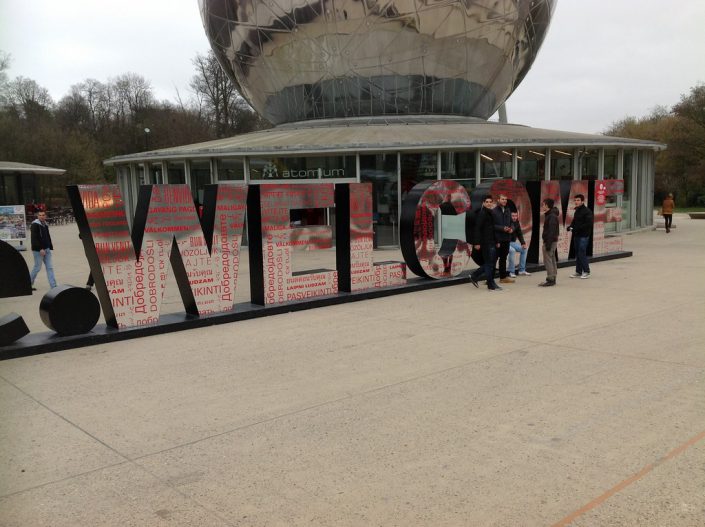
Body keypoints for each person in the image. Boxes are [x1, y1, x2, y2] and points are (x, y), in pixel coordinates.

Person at [473, 194, 502, 291]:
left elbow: (493, 229)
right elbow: (477, 229)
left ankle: (475, 276)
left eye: (490, 202)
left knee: (491, 263)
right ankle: (490, 284)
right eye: (487, 202)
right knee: (490, 264)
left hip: (492, 242)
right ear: (483, 203)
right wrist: (476, 243)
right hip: (486, 243)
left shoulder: (490, 213)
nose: (489, 204)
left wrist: (497, 241)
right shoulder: (482, 213)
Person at [567, 194, 594, 279]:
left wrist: (576, 228)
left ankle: (586, 271)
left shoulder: (587, 211)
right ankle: (578, 271)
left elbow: (588, 224)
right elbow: (574, 221)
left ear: (582, 201)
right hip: (577, 235)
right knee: (578, 253)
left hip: (584, 236)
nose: (576, 202)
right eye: (575, 200)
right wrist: (570, 227)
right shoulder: (577, 211)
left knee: (582, 252)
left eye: (578, 200)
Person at [29, 210, 57, 291]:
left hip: (47, 249)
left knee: (50, 267)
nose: (42, 216)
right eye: (40, 215)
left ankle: (53, 286)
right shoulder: (35, 225)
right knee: (37, 267)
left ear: (45, 216)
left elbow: (47, 236)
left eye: (43, 215)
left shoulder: (45, 224)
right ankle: (29, 284)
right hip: (38, 251)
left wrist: (49, 246)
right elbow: (34, 238)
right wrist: (40, 249)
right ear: (37, 216)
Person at [492, 193, 515, 284]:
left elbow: (511, 222)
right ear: (498, 200)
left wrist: (512, 229)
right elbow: (492, 225)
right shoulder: (494, 211)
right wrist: (502, 228)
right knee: (494, 259)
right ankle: (490, 278)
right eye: (502, 199)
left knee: (503, 258)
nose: (504, 201)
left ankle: (503, 277)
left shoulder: (508, 210)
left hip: (506, 238)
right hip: (497, 239)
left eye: (505, 199)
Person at [538, 198, 559, 287]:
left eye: (543, 204)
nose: (542, 206)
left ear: (547, 205)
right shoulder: (552, 215)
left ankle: (550, 279)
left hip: (549, 241)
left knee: (548, 261)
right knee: (552, 259)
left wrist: (548, 244)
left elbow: (551, 231)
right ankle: (553, 277)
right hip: (552, 241)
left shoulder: (551, 216)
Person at [507, 210, 530, 277]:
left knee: (524, 249)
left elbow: (519, 234)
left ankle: (521, 270)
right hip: (505, 242)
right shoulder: (506, 222)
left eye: (516, 216)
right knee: (512, 251)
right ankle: (511, 271)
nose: (514, 217)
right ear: (509, 216)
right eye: (513, 216)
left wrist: (523, 243)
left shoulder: (517, 223)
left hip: (512, 242)